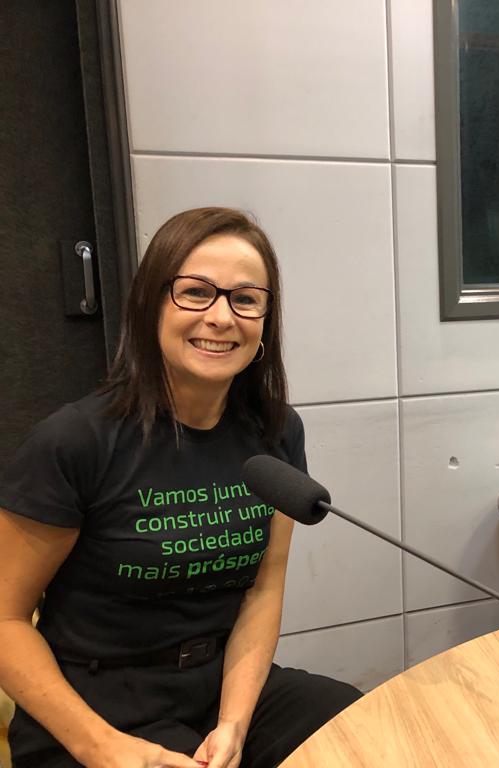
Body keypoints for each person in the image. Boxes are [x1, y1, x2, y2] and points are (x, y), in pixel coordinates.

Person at [0, 208, 361, 768]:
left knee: (362, 728)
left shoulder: (275, 430)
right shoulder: (74, 442)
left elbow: (262, 591)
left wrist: (234, 723)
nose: (221, 317)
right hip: (95, 708)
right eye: (195, 292)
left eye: (245, 299)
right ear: (151, 304)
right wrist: (99, 745)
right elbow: (5, 620)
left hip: (218, 687)